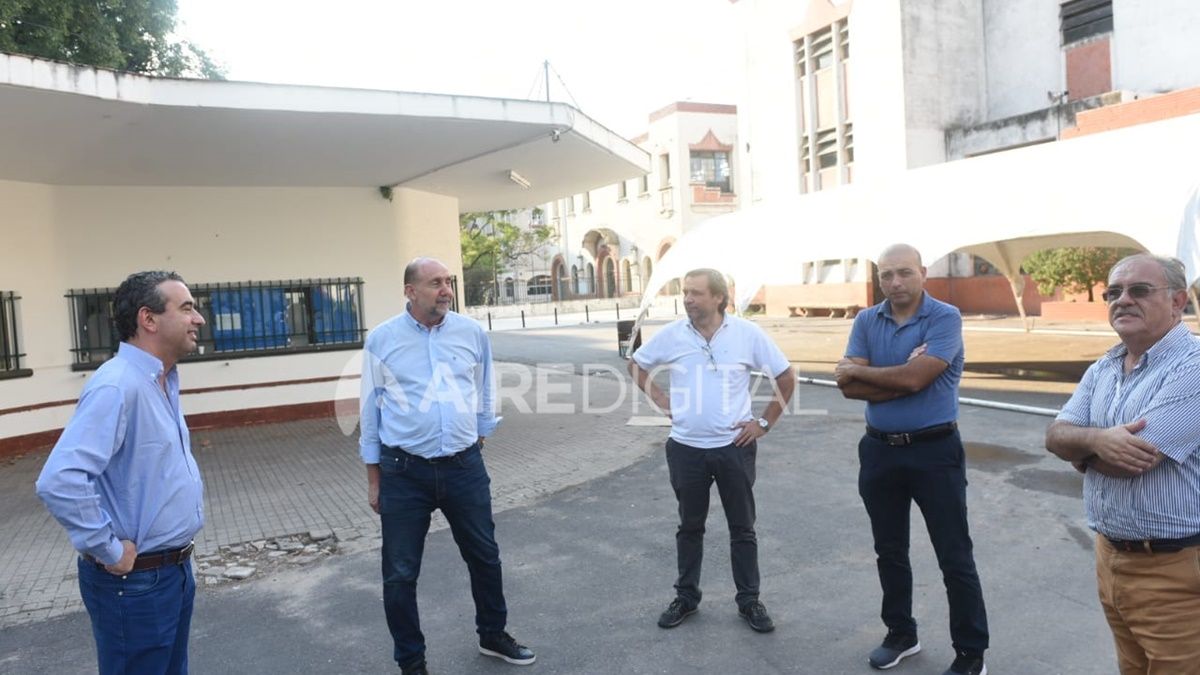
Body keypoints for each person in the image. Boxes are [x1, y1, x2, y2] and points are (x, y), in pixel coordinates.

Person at [359, 257, 533, 675]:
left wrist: (481, 431)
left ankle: (493, 634)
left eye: (448, 282)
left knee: (485, 557)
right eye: (435, 283)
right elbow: (370, 409)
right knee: (400, 574)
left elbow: (484, 385)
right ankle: (411, 661)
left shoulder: (470, 332)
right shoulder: (382, 340)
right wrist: (374, 477)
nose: (446, 290)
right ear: (410, 291)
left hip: (463, 468)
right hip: (404, 471)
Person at [35, 271, 207, 675]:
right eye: (186, 308)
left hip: (171, 574)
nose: (198, 318)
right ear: (148, 319)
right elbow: (60, 480)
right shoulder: (117, 385)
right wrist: (108, 549)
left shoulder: (161, 380)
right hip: (136, 584)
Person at [835, 244, 988, 675]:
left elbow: (915, 377)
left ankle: (971, 652)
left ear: (922, 272)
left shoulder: (944, 317)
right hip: (879, 450)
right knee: (889, 550)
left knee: (954, 555)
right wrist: (902, 378)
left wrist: (867, 372)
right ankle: (901, 634)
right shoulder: (867, 319)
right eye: (886, 275)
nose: (895, 282)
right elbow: (849, 389)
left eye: (904, 272)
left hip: (934, 451)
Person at [1045, 254, 1200, 674]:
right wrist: (1097, 441)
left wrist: (1080, 451)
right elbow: (1054, 437)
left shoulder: (1194, 368)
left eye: (1139, 290)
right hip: (1110, 558)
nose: (1123, 300)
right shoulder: (1105, 366)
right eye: (1113, 292)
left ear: (1177, 301)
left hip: (1174, 570)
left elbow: (1132, 461)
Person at [629, 268, 795, 634]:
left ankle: (749, 600)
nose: (688, 299)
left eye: (696, 293)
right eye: (685, 292)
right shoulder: (672, 335)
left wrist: (763, 424)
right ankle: (686, 597)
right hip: (686, 448)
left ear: (719, 298)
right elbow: (637, 364)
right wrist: (660, 399)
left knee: (742, 527)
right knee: (690, 526)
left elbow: (785, 376)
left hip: (734, 448)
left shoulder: (747, 334)